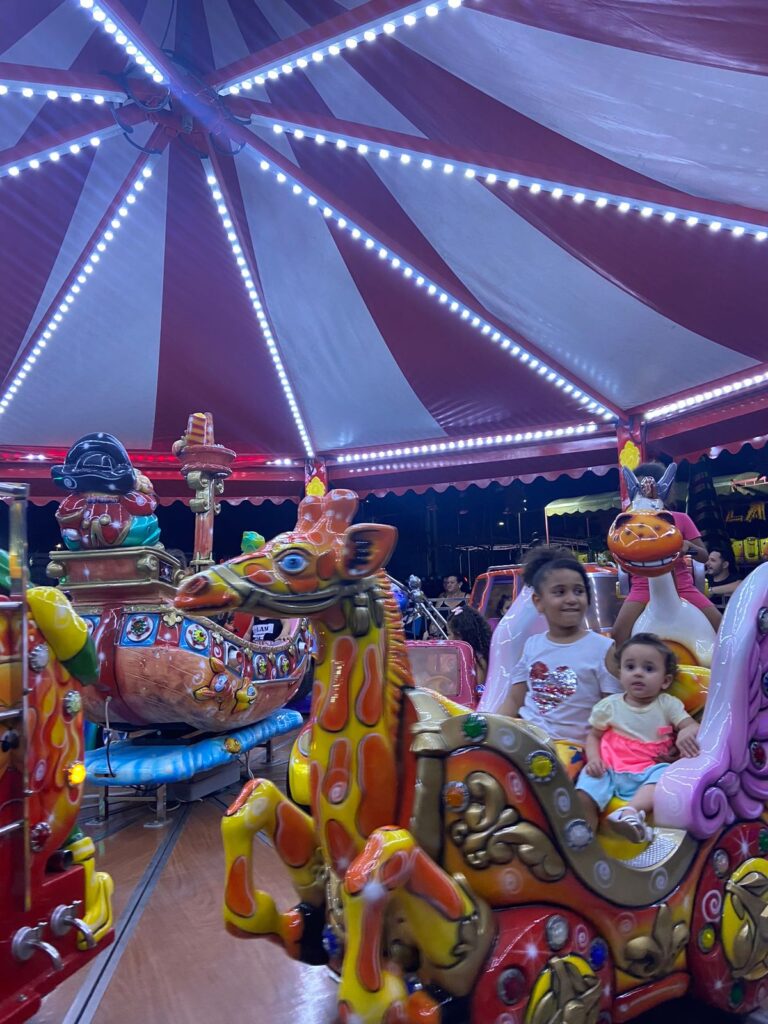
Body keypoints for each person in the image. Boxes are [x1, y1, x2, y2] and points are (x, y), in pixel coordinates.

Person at [576, 633, 699, 843]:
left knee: (665, 776)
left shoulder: (667, 704)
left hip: (649, 768)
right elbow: (594, 736)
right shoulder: (609, 706)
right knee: (585, 788)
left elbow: (690, 725)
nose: (638, 673)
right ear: (620, 673)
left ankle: (630, 813)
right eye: (630, 667)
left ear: (665, 680)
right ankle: (583, 835)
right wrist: (594, 759)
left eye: (649, 669)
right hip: (609, 768)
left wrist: (687, 731)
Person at [497, 548, 619, 744]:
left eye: (578, 591)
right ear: (538, 602)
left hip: (575, 749)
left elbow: (615, 713)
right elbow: (513, 700)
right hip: (528, 742)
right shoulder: (532, 645)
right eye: (560, 592)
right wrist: (492, 732)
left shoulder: (603, 649)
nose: (571, 599)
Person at [611, 461, 720, 648]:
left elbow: (703, 556)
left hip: (681, 585)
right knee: (618, 634)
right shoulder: (630, 522)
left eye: (649, 487)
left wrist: (687, 546)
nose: (645, 492)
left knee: (721, 626)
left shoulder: (681, 519)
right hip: (642, 587)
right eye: (640, 488)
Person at [446, 605, 493, 685]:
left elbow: (479, 687)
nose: (448, 639)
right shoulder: (462, 655)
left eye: (449, 634)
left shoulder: (479, 659)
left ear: (459, 635)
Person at [705, 545, 740, 610]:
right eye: (708, 560)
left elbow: (741, 585)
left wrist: (711, 591)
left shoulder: (734, 579)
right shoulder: (704, 578)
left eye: (712, 560)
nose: (707, 563)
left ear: (725, 565)